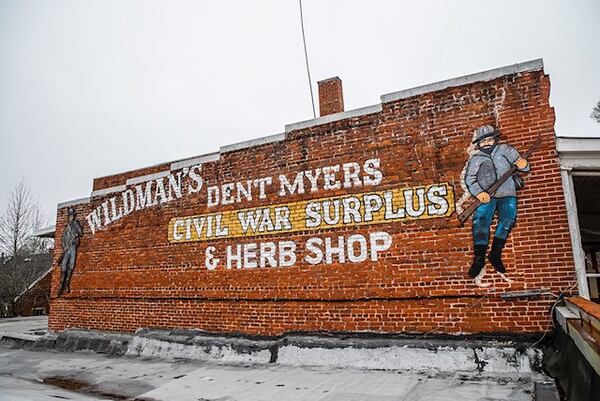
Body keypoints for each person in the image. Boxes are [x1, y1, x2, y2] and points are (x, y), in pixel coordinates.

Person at [464, 125, 529, 286]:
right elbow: (470, 179)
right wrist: (479, 193)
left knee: (508, 221)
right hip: (486, 197)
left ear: (495, 139)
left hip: (508, 194)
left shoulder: (506, 150)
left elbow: (524, 166)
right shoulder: (475, 159)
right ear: (478, 144)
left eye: (489, 139)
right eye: (483, 141)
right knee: (480, 223)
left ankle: (495, 254)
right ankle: (479, 258)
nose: (486, 143)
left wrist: (524, 165)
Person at [59, 207, 83, 295]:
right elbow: (63, 239)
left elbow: (80, 233)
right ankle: (61, 283)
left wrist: (78, 231)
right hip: (66, 248)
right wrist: (64, 247)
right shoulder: (67, 227)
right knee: (64, 265)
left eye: (72, 215)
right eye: (70, 215)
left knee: (71, 265)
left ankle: (67, 284)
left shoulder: (76, 224)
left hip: (73, 247)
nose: (71, 217)